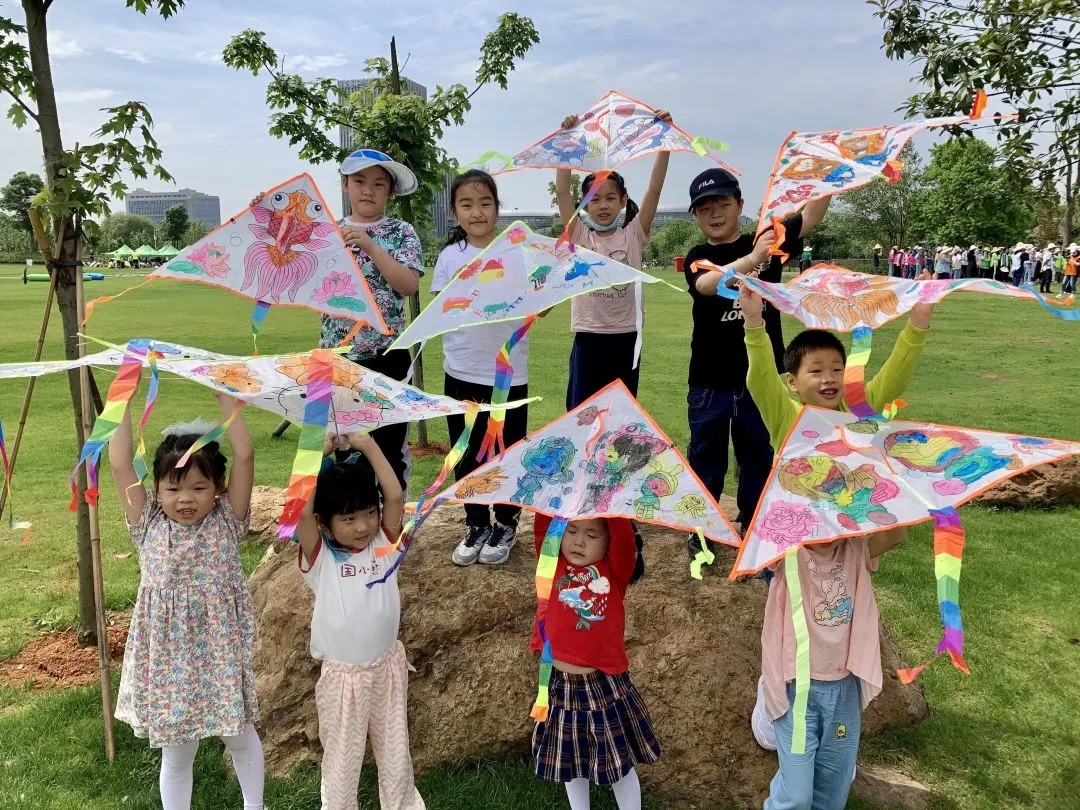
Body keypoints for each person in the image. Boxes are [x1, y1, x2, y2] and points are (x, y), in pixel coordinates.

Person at [740, 281, 934, 810]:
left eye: (835, 368)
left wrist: (917, 324)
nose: (827, 378)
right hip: (796, 546)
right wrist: (754, 325)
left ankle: (813, 707)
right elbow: (760, 381)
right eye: (815, 370)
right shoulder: (788, 418)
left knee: (838, 615)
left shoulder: (858, 416)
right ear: (794, 382)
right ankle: (776, 697)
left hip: (847, 543)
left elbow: (893, 377)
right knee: (796, 621)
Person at [109, 391, 264, 810]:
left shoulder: (228, 520)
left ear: (219, 488)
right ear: (156, 490)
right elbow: (120, 463)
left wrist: (224, 396)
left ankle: (256, 805)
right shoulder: (147, 523)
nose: (185, 499)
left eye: (199, 487)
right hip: (169, 661)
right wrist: (123, 396)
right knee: (178, 752)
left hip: (220, 651)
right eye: (173, 488)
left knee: (239, 735)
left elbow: (245, 455)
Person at [682, 168, 829, 553]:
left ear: (740, 205)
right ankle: (702, 531)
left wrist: (826, 171)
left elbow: (811, 215)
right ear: (695, 216)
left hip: (761, 381)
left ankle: (753, 526)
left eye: (723, 204)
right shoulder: (699, 257)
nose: (715, 214)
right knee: (706, 461)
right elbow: (707, 285)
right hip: (709, 382)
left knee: (758, 458)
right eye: (704, 209)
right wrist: (754, 258)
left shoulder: (767, 240)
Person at [295, 433, 425, 810]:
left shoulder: (384, 544)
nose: (363, 526)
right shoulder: (320, 558)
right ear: (324, 522)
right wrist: (316, 452)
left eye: (369, 512)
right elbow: (298, 512)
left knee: (396, 755)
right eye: (348, 518)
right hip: (343, 680)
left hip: (388, 668)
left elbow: (395, 496)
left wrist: (367, 446)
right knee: (342, 762)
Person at [433, 169, 531, 566]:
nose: (477, 212)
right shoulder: (449, 257)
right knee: (466, 453)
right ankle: (475, 523)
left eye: (485, 203)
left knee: (506, 452)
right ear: (454, 212)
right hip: (461, 371)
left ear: (497, 208)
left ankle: (505, 523)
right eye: (467, 204)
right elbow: (443, 308)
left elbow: (537, 302)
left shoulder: (517, 251)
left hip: (509, 375)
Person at [530, 514, 659, 810]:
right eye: (572, 531)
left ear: (609, 543)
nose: (579, 541)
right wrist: (556, 492)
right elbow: (543, 524)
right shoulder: (550, 563)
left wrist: (611, 499)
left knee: (619, 763)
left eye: (591, 535)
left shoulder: (613, 573)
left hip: (602, 687)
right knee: (570, 763)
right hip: (559, 687)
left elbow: (624, 539)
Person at [319, 148, 425, 492]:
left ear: (390, 192)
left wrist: (370, 245)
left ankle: (391, 516)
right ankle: (351, 517)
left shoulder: (401, 231)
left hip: (388, 356)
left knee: (389, 448)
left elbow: (408, 285)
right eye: (360, 181)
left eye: (379, 184)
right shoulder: (327, 233)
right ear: (345, 185)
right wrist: (268, 212)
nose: (368, 190)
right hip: (337, 359)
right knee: (341, 447)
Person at [554, 112, 671, 409]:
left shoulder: (634, 233)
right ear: (584, 205)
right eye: (594, 199)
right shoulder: (579, 235)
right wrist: (566, 140)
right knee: (582, 412)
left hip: (626, 337)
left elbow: (654, 189)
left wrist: (664, 144)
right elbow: (562, 190)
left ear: (622, 200)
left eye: (610, 198)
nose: (603, 205)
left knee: (620, 413)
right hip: (589, 336)